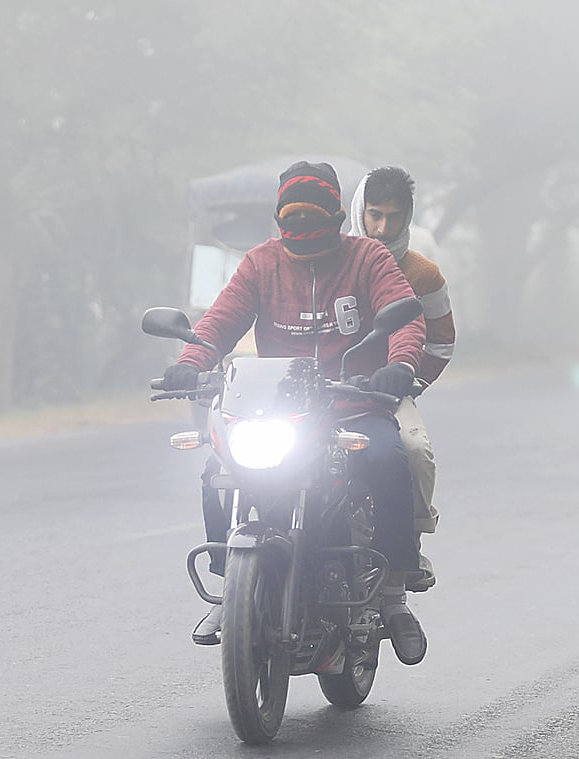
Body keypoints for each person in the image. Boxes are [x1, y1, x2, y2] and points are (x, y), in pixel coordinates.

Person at [162, 160, 429, 666]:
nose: (303, 239)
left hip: (352, 405)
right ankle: (230, 593)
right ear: (280, 223)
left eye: (315, 228)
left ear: (335, 218)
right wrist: (191, 362)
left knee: (391, 458)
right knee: (216, 472)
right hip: (277, 412)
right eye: (294, 229)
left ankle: (395, 596)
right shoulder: (260, 264)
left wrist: (400, 363)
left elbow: (404, 315)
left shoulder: (368, 258)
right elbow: (218, 322)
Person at [350, 166, 455, 593]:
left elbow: (441, 343)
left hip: (389, 395)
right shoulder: (332, 262)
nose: (382, 228)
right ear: (359, 209)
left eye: (394, 217)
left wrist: (406, 384)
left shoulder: (424, 275)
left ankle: (408, 545)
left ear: (408, 217)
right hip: (320, 394)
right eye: (374, 214)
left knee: (414, 452)